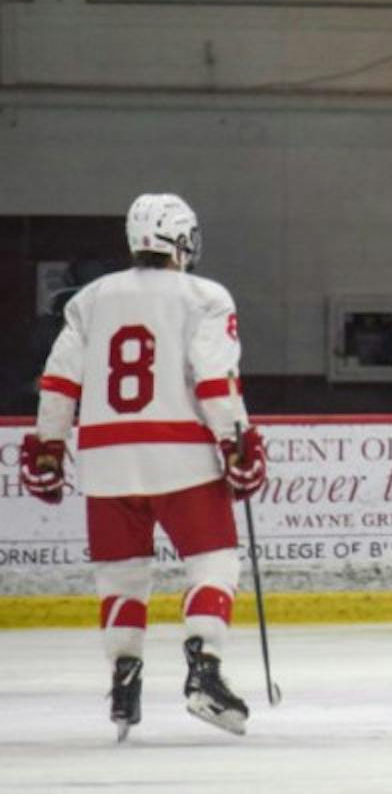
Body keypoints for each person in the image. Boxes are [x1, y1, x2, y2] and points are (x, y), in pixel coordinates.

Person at [16, 193, 268, 739]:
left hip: (106, 457)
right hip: (181, 452)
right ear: (182, 240)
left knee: (122, 574)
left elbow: (59, 382)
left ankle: (124, 680)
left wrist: (48, 446)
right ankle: (204, 672)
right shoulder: (205, 296)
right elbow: (213, 380)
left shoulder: (90, 299)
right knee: (213, 560)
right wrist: (236, 439)